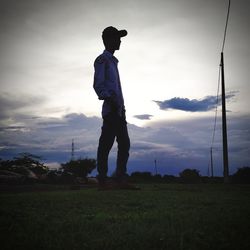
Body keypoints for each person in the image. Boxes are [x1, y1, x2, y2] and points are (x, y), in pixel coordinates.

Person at [93, 26, 137, 190]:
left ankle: (120, 179)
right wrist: (109, 98)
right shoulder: (102, 60)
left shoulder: (113, 61)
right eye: (117, 38)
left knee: (124, 144)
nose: (119, 41)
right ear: (108, 40)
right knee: (106, 144)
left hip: (119, 109)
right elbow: (98, 84)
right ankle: (103, 181)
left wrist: (120, 106)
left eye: (119, 38)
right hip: (112, 108)